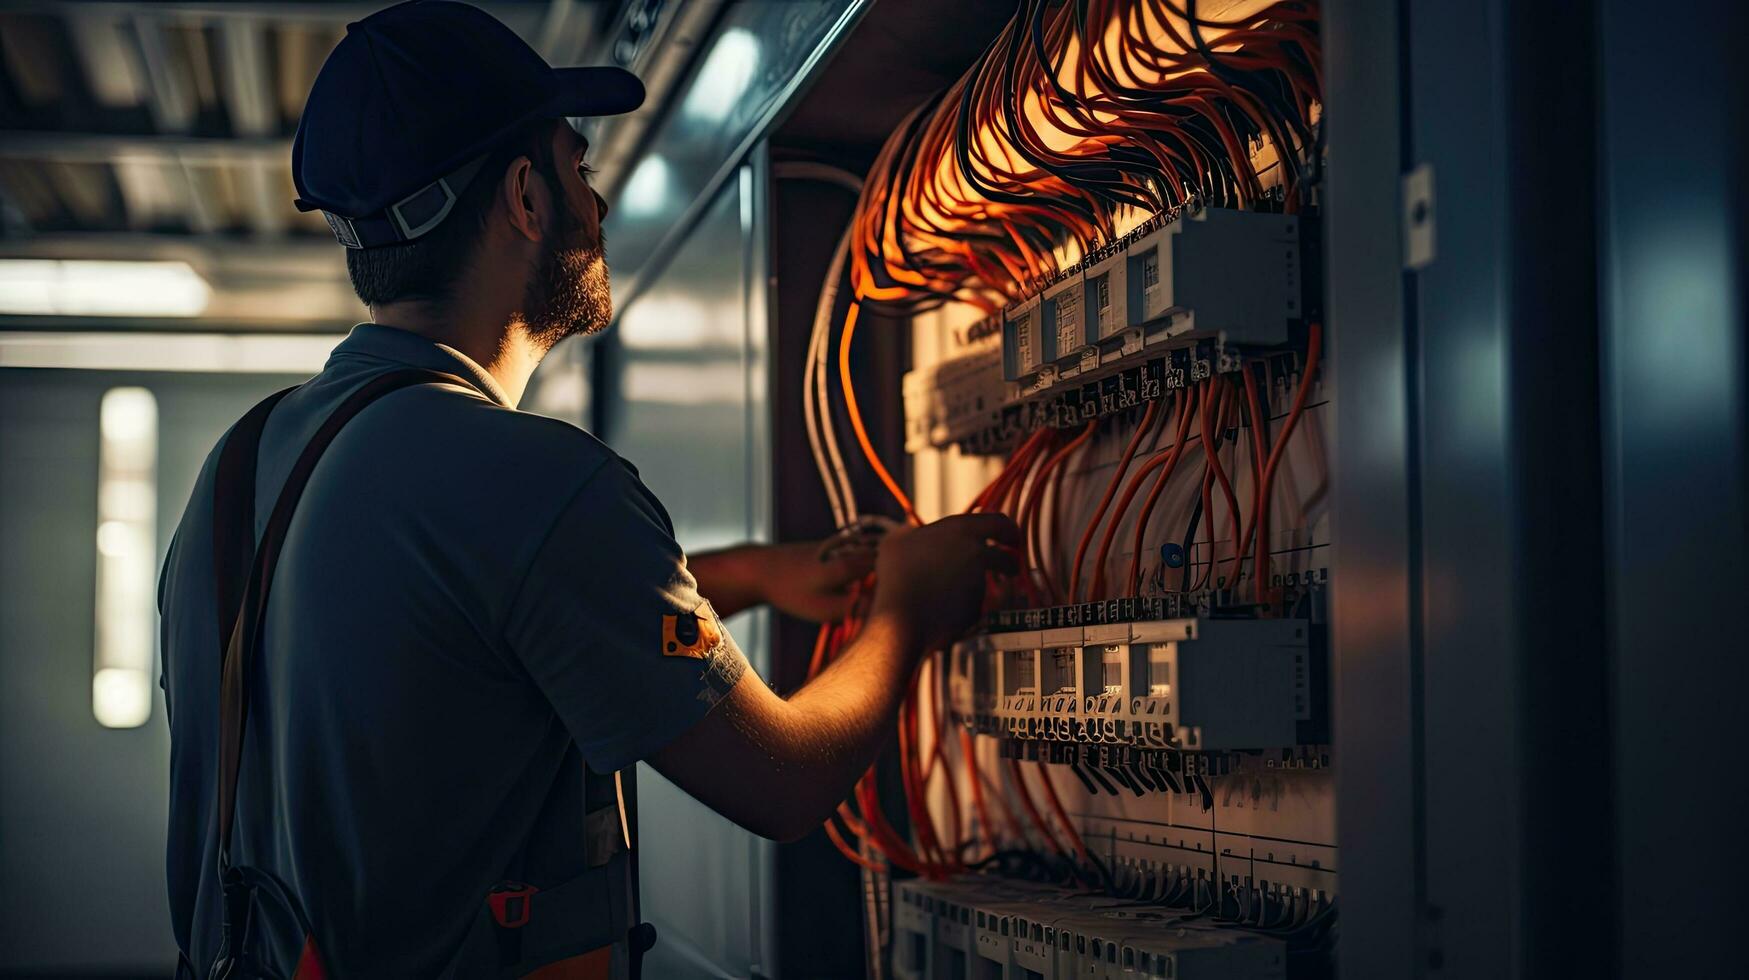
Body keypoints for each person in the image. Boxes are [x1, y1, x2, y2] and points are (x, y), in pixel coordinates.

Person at [156, 2, 1019, 977]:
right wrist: (909, 605)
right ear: (526, 196)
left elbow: (472, 640)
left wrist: (754, 575)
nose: (595, 204)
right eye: (579, 165)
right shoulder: (533, 479)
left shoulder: (237, 472)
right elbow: (786, 783)